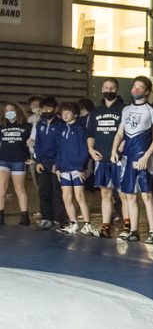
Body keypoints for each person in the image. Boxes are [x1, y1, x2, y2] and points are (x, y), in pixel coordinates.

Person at [110, 76, 153, 243]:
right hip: (127, 157)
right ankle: (134, 230)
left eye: (140, 87)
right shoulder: (125, 110)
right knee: (130, 195)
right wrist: (113, 150)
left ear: (147, 91)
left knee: (147, 196)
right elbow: (120, 133)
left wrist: (147, 156)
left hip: (144, 158)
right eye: (134, 86)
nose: (136, 89)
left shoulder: (151, 110)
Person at [87, 79, 125, 238]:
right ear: (101, 89)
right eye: (106, 87)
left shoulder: (124, 110)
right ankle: (105, 226)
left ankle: (128, 226)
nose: (109, 90)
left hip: (119, 158)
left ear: (117, 89)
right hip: (102, 158)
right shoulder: (96, 111)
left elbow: (128, 132)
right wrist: (90, 149)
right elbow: (90, 134)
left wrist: (121, 147)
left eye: (112, 88)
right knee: (105, 193)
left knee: (124, 194)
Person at [54, 101, 94, 235]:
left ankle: (87, 225)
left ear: (75, 114)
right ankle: (73, 223)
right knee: (66, 197)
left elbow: (84, 150)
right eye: (63, 112)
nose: (65, 115)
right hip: (64, 169)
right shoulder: (61, 129)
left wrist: (81, 167)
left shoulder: (80, 129)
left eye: (68, 112)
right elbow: (59, 150)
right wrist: (58, 167)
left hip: (77, 169)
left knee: (80, 196)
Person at [33, 96, 66, 230]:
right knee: (44, 191)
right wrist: (38, 161)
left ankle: (59, 219)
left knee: (57, 192)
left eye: (49, 108)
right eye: (43, 108)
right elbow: (38, 144)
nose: (46, 111)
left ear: (55, 109)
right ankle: (46, 218)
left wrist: (57, 164)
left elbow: (61, 147)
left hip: (55, 165)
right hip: (43, 163)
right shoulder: (40, 124)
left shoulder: (60, 125)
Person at [0, 102, 32, 226]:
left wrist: (31, 156)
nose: (9, 112)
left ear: (17, 111)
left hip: (19, 160)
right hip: (3, 159)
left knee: (20, 188)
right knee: (1, 188)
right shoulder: (2, 126)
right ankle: (1, 215)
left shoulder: (27, 126)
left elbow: (31, 143)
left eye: (11, 110)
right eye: (6, 111)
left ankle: (24, 215)